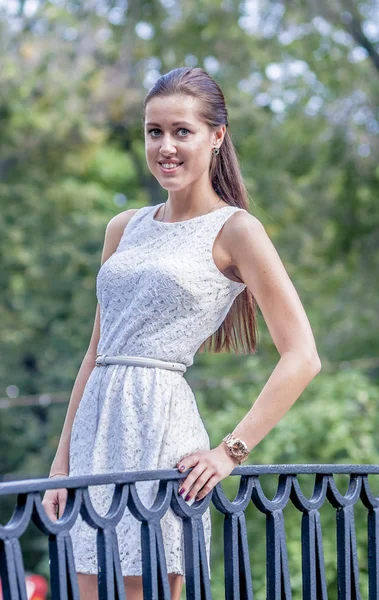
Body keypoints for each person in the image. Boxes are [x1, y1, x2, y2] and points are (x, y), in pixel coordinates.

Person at [42, 66, 321, 600]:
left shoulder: (237, 230)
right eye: (154, 132)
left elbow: (302, 355)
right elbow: (97, 350)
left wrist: (229, 452)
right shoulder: (123, 227)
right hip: (94, 436)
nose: (165, 146)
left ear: (217, 137)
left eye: (181, 131)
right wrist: (62, 459)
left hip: (160, 429)